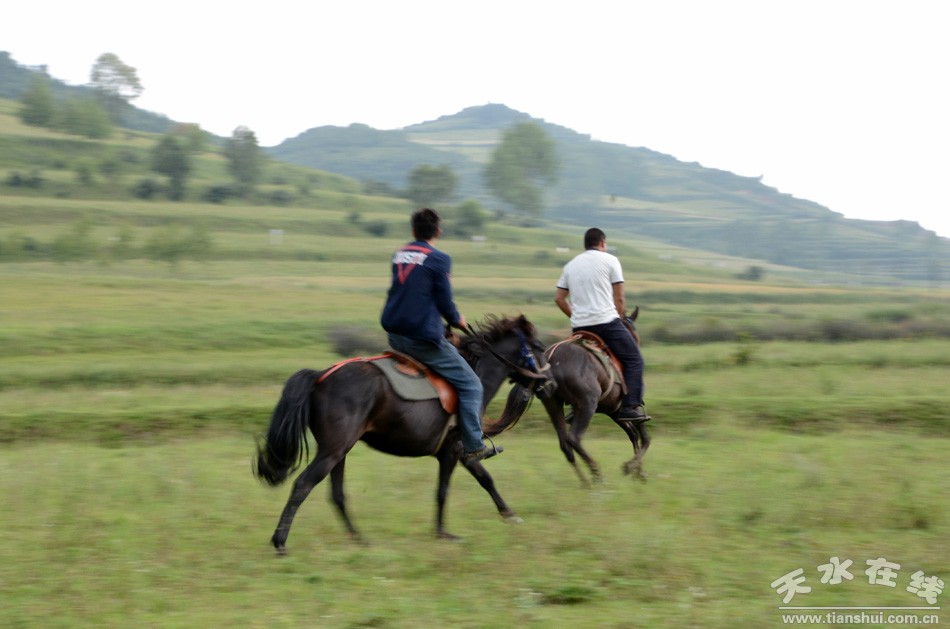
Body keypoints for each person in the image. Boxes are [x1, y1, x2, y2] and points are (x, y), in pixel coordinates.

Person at [381, 208, 503, 464]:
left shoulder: (399, 254)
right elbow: (445, 302)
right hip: (420, 340)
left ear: (413, 230)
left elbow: (414, 294)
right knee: (472, 385)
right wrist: (457, 320)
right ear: (438, 231)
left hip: (394, 336)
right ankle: (474, 446)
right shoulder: (439, 258)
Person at [554, 227, 650, 422]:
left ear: (586, 244)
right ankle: (630, 407)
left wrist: (576, 316)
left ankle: (574, 407)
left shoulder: (570, 265)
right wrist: (620, 319)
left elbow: (559, 298)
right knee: (634, 360)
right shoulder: (610, 260)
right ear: (602, 243)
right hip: (606, 323)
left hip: (579, 328)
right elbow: (619, 298)